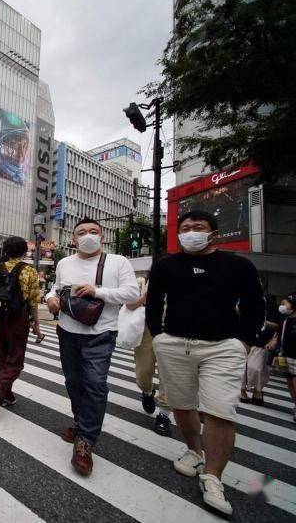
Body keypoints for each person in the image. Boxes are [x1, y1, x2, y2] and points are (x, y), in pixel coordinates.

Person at [146, 210, 265, 516]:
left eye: (198, 227)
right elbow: (154, 303)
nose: (190, 232)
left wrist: (243, 342)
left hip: (223, 347)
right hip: (174, 343)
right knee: (181, 405)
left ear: (214, 233)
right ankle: (193, 450)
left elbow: (255, 306)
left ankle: (213, 476)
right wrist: (158, 337)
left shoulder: (238, 265)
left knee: (220, 410)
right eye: (184, 228)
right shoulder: (165, 266)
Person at [46, 218, 138, 477]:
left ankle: (85, 441)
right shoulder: (64, 263)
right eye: (82, 233)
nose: (88, 236)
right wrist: (51, 299)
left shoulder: (118, 262)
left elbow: (132, 293)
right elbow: (55, 289)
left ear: (102, 236)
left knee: (95, 384)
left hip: (101, 334)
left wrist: (98, 292)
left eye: (93, 232)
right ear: (73, 239)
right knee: (73, 382)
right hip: (67, 332)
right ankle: (80, 421)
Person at [0, 237, 42, 417]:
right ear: (25, 251)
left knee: (2, 354)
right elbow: (33, 301)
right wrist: (36, 324)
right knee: (15, 359)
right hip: (19, 317)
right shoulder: (29, 271)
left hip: (1, 317)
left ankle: (5, 395)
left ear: (6, 251)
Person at [127, 277, 172, 436]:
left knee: (169, 376)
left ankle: (164, 415)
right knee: (143, 373)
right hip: (147, 331)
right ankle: (147, 392)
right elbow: (129, 305)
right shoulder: (142, 282)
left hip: (172, 333)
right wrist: (145, 297)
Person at [276, 293, 296, 422]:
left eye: (286, 304)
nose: (283, 306)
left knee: (294, 379)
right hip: (284, 354)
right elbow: (280, 335)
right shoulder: (285, 319)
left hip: (295, 355)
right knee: (288, 380)